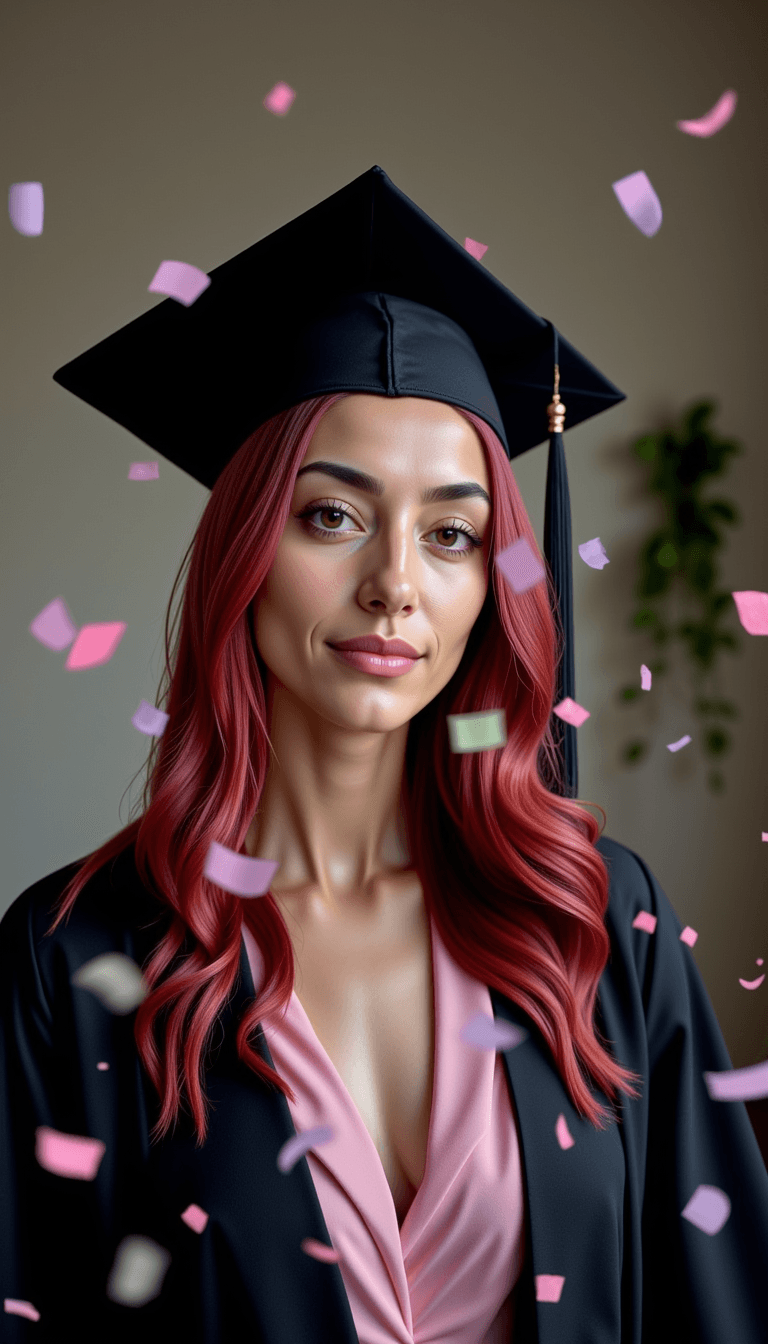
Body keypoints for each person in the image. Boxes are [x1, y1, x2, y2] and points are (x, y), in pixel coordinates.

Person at [2, 167, 767, 1344]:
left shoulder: (598, 924)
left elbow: (727, 1311)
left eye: (453, 534)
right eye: (332, 515)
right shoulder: (76, 962)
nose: (395, 585)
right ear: (243, 553)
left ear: (493, 585)